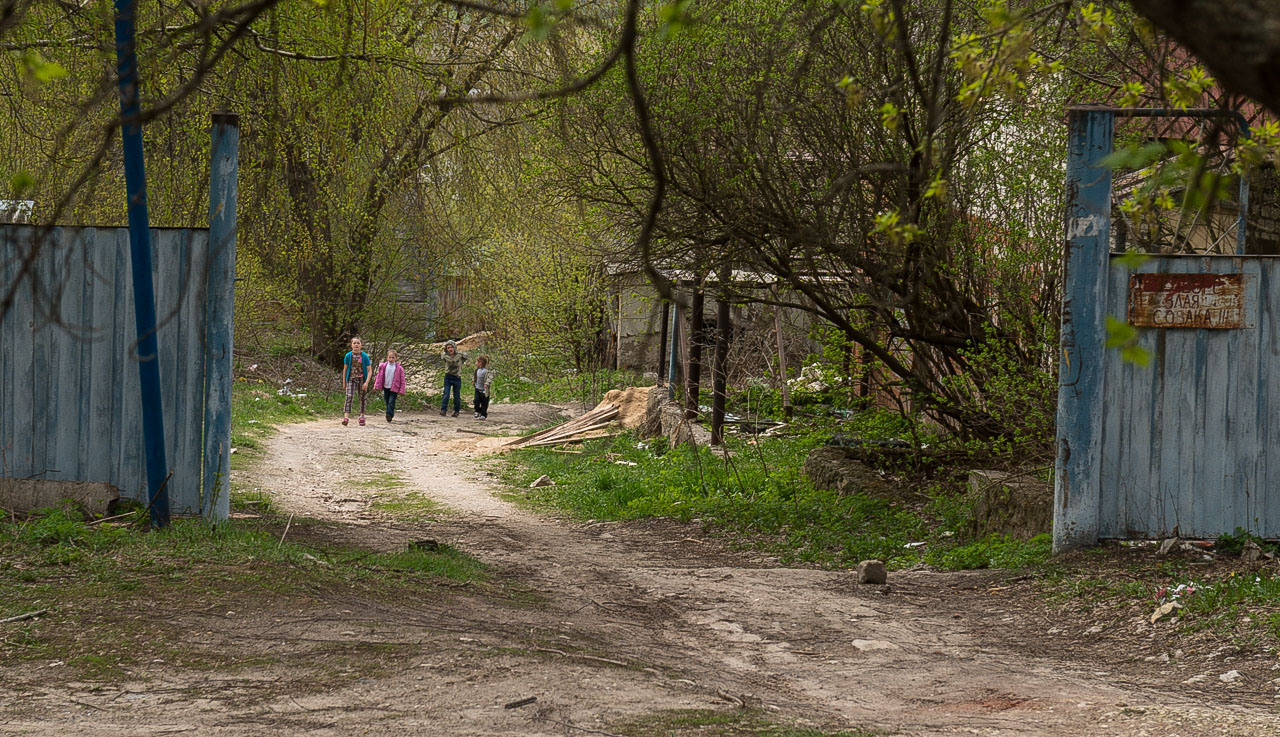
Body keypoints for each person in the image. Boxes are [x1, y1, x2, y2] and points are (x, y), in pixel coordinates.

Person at [342, 337, 372, 426]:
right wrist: (344, 382)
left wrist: (366, 382)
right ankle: (346, 417)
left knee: (362, 397)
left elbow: (370, 370)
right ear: (351, 345)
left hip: (362, 379)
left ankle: (362, 416)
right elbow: (345, 369)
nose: (356, 345)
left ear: (361, 345)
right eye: (354, 343)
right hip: (351, 379)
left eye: (358, 343)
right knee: (349, 396)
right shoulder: (348, 356)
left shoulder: (364, 356)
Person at [374, 348, 407, 423]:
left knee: (391, 401)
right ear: (387, 358)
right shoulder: (383, 366)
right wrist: (376, 385)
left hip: (394, 388)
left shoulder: (399, 368)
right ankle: (390, 413)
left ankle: (389, 414)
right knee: (387, 401)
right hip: (386, 387)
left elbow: (402, 380)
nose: (391, 359)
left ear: (396, 358)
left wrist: (402, 390)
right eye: (390, 357)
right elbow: (379, 376)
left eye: (393, 357)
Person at [438, 340, 467, 417]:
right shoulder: (446, 356)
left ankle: (456, 411)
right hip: (448, 377)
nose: (450, 349)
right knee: (446, 393)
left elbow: (465, 359)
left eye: (451, 347)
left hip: (457, 377)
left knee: (456, 395)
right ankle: (443, 410)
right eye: (448, 348)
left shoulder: (460, 355)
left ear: (454, 347)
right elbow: (446, 359)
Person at [473, 355, 494, 420]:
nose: (475, 363)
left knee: (484, 403)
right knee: (476, 401)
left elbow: (490, 377)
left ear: (480, 363)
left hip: (484, 391)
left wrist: (487, 383)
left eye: (476, 361)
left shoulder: (486, 371)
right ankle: (477, 410)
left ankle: (483, 414)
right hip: (477, 389)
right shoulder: (477, 370)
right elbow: (474, 376)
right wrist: (473, 381)